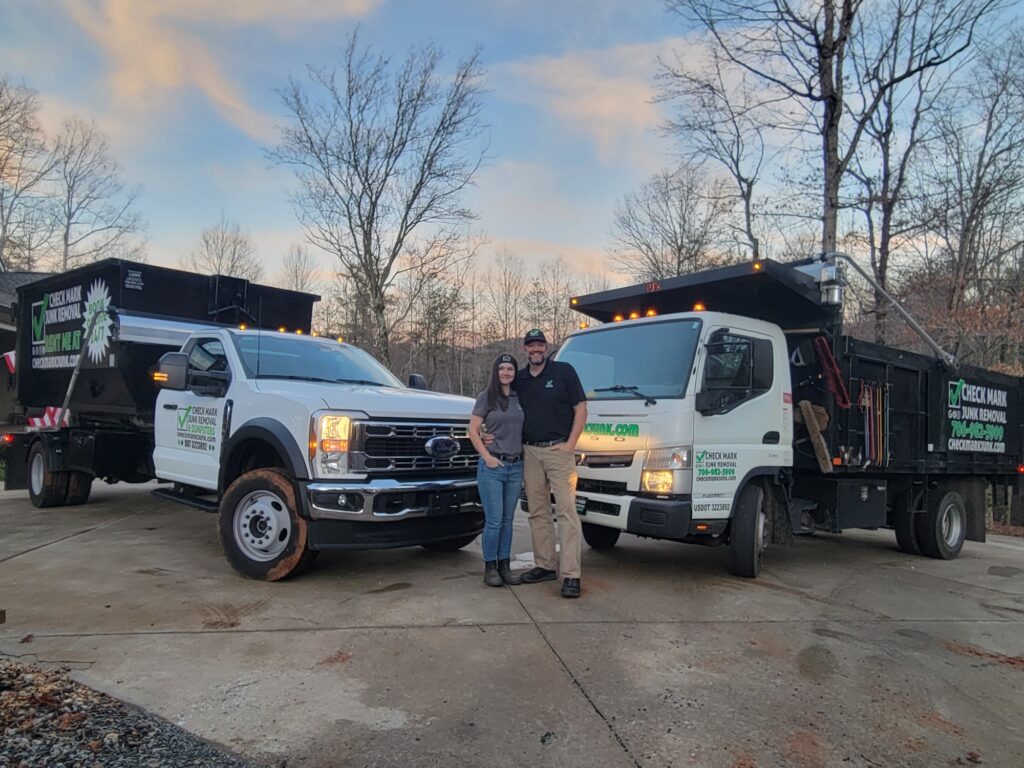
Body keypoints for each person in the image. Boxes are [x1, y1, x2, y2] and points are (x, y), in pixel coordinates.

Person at [515, 328, 588, 598]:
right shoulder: (520, 379)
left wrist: (570, 444)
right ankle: (545, 565)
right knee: (537, 511)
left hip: (559, 450)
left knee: (567, 512)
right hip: (530, 452)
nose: (536, 350)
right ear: (524, 349)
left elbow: (581, 409)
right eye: (531, 346)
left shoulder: (563, 372)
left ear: (546, 347)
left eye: (540, 345)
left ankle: (571, 575)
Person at [468, 354, 525, 587]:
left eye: (510, 369)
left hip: (516, 466)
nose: (505, 373)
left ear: (514, 372)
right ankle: (490, 566)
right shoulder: (486, 397)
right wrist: (487, 457)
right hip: (493, 467)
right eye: (501, 368)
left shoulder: (519, 397)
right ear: (496, 371)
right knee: (494, 520)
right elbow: (472, 430)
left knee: (508, 519)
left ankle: (505, 565)